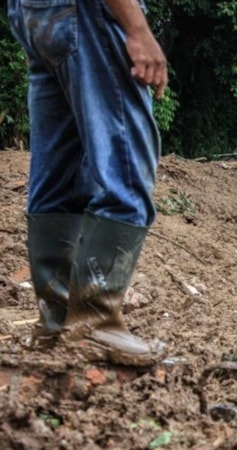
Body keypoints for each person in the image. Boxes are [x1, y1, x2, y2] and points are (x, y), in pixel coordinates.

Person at [8, 0, 167, 365]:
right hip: (86, 13)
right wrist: (136, 27)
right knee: (125, 168)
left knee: (58, 175)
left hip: (34, 14)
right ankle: (95, 321)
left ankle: (58, 324)